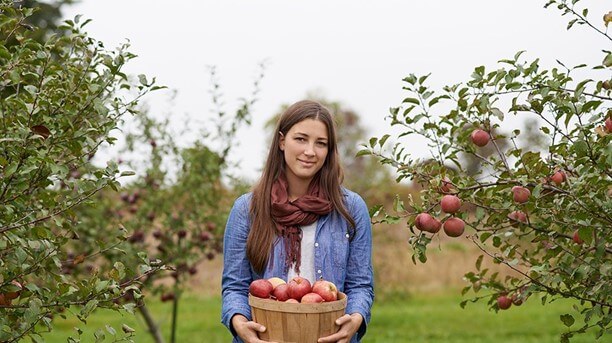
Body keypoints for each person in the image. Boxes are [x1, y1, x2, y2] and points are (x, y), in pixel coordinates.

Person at [221, 100, 374, 343]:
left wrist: (355, 317)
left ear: (329, 150)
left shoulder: (350, 209)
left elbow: (360, 285)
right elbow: (235, 287)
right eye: (301, 139)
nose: (310, 151)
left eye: (321, 143)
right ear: (282, 141)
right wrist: (240, 323)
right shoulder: (248, 209)